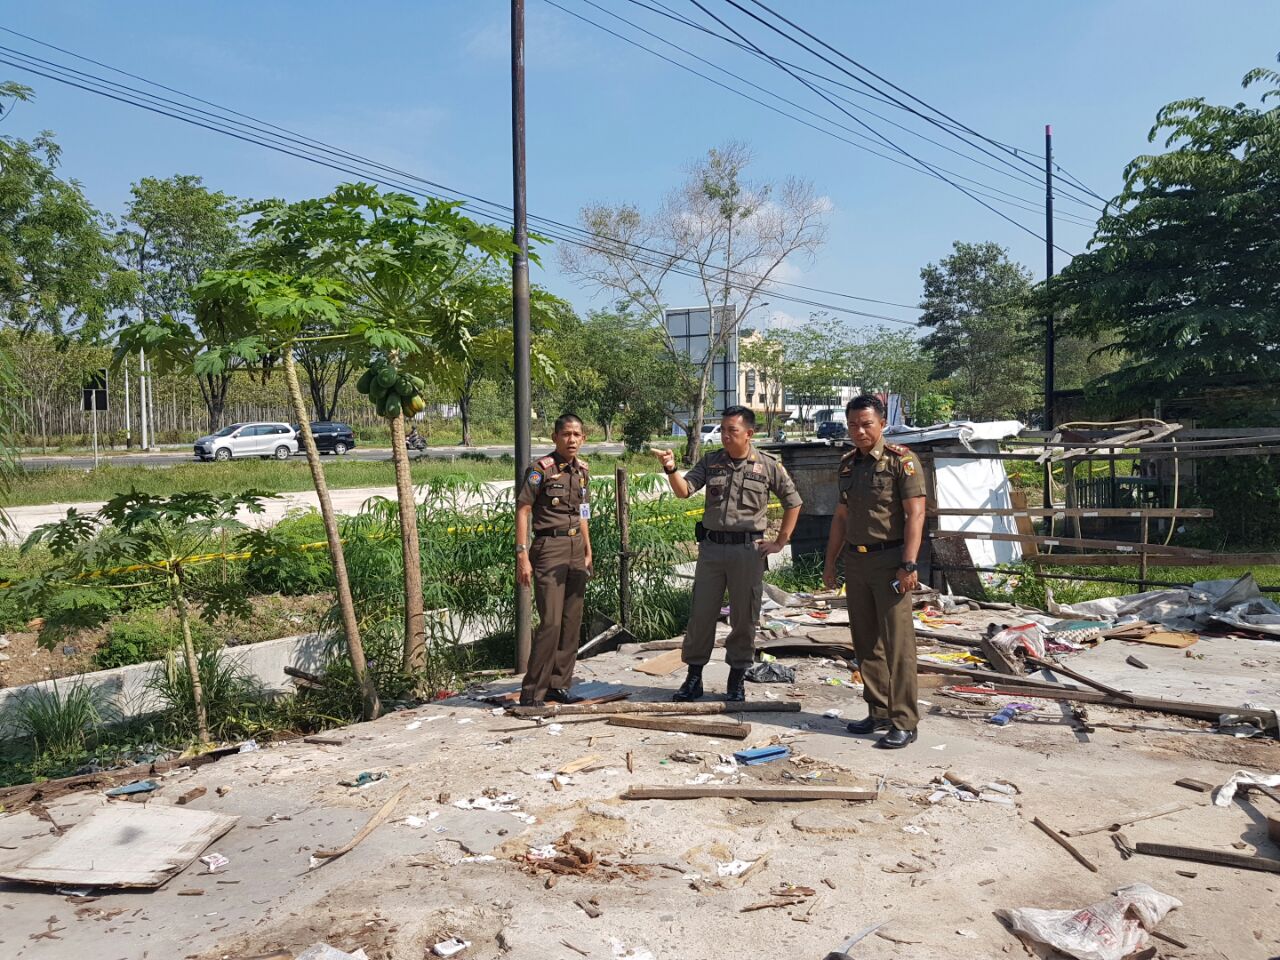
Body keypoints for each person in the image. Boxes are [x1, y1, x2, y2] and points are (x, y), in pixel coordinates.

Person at [653, 406, 802, 702]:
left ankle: (736, 680)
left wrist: (780, 541)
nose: (724, 436)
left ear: (749, 433)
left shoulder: (768, 465)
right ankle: (694, 678)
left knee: (744, 618)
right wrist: (671, 468)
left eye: (731, 431)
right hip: (712, 550)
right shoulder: (712, 462)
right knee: (701, 615)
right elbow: (684, 491)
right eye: (722, 430)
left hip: (748, 551)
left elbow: (793, 502)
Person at [822, 395, 927, 749]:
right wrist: (830, 562)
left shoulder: (903, 462)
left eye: (866, 424)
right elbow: (841, 517)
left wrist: (909, 563)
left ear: (882, 424)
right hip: (857, 561)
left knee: (898, 646)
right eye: (853, 425)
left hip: (890, 562)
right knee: (866, 643)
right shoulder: (849, 465)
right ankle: (878, 710)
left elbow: (915, 515)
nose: (859, 431)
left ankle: (904, 721)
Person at [515, 414, 594, 707]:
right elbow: (523, 510)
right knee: (550, 622)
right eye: (566, 434)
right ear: (555, 437)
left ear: (583, 438)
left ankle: (559, 684)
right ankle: (532, 691)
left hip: (575, 546)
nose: (572, 440)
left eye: (577, 435)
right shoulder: (541, 470)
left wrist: (588, 549)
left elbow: (583, 511)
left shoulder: (583, 472)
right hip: (549, 546)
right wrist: (522, 554)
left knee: (571, 620)